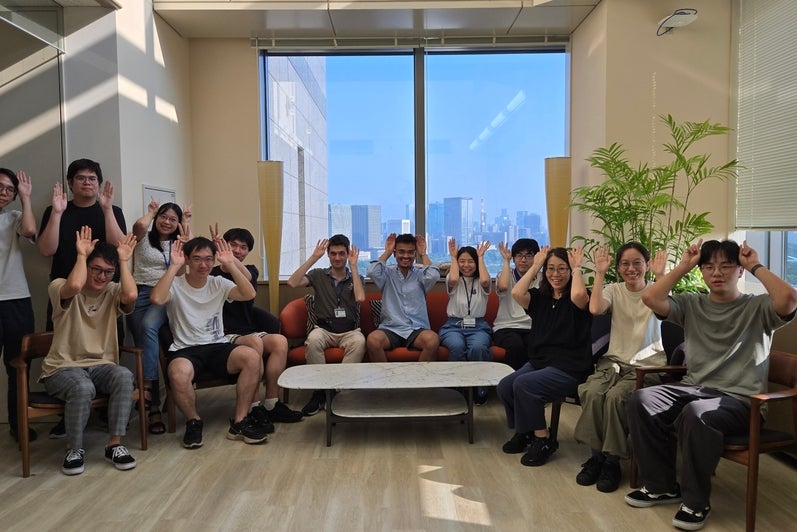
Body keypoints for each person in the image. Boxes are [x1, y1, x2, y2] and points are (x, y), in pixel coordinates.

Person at [624, 239, 797, 531]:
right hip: (695, 388)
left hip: (741, 402)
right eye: (709, 267)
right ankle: (661, 486)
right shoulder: (692, 304)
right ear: (702, 271)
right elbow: (651, 297)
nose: (717, 272)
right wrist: (684, 265)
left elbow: (789, 298)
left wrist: (755, 264)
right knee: (640, 400)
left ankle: (696, 502)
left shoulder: (758, 307)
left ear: (740, 271)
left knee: (696, 414)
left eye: (726, 266)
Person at [151, 236, 271, 447]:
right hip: (186, 349)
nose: (203, 265)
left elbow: (248, 293)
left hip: (217, 345)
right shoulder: (175, 284)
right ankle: (194, 421)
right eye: (197, 259)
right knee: (177, 373)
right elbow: (157, 299)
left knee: (252, 357)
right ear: (187, 259)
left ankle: (240, 421)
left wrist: (230, 263)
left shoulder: (218, 283)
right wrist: (174, 267)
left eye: (208, 259)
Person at [38, 158, 127, 439]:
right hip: (66, 291)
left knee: (108, 352)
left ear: (98, 184)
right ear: (70, 183)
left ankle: (107, 414)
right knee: (64, 350)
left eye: (92, 178)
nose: (87, 182)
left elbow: (121, 246)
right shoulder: (57, 210)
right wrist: (56, 213)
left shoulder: (112, 210)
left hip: (104, 292)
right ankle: (68, 417)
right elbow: (46, 249)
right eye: (80, 178)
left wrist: (107, 209)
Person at [40, 227, 139, 475]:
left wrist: (123, 261)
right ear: (86, 266)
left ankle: (114, 445)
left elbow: (130, 294)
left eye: (108, 272)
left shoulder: (112, 291)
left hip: (101, 365)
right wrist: (82, 255)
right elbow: (74, 285)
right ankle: (74, 449)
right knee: (82, 387)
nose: (101, 276)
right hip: (62, 368)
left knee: (124, 376)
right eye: (96, 269)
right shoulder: (59, 286)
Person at [573, 243, 666, 493]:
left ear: (647, 265)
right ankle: (596, 457)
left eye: (637, 263)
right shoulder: (614, 290)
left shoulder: (654, 291)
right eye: (625, 263)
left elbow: (666, 307)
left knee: (616, 398)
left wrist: (661, 275)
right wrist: (600, 272)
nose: (631, 268)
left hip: (647, 367)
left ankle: (612, 462)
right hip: (614, 363)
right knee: (592, 393)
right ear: (618, 268)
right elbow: (595, 308)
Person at [497, 246, 592, 467]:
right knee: (505, 386)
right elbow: (516, 292)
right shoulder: (540, 297)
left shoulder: (577, 297)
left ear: (570, 271)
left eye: (562, 269)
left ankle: (543, 440)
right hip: (541, 362)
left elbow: (579, 295)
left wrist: (578, 267)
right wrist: (537, 265)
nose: (555, 274)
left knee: (524, 384)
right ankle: (526, 431)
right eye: (551, 269)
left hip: (570, 367)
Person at [210, 226, 303, 430]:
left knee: (280, 341)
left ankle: (271, 403)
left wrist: (229, 258)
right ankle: (253, 406)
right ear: (223, 246)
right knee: (254, 343)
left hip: (248, 330)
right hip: (224, 334)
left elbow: (247, 279)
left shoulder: (250, 270)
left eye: (243, 247)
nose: (237, 250)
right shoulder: (212, 274)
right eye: (233, 245)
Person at [128, 199, 191, 435]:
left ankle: (145, 388)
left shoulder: (178, 243)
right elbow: (138, 226)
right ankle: (153, 408)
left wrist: (185, 232)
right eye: (164, 217)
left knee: (148, 326)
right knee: (144, 347)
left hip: (165, 294)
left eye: (173, 219)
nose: (167, 222)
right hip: (139, 293)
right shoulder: (143, 237)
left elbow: (182, 272)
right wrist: (151, 212)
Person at [287, 234, 366, 416]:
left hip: (349, 331)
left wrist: (354, 267)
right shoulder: (318, 275)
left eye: (341, 254)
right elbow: (292, 282)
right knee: (313, 340)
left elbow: (360, 298)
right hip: (324, 329)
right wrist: (314, 257)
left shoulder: (355, 277)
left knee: (360, 341)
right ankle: (320, 391)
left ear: (347, 254)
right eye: (333, 254)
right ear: (328, 255)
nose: (337, 258)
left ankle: (340, 392)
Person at [0, 168, 37, 442]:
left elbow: (30, 230)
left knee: (18, 367)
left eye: (9, 189)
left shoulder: (14, 217)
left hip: (16, 301)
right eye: (0, 186)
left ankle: (18, 426)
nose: (3, 192)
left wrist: (25, 197)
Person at [366, 233, 441, 362]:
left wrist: (423, 254)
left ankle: (419, 375)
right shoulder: (387, 275)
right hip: (390, 328)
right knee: (373, 340)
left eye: (410, 252)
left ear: (415, 255)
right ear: (395, 254)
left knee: (432, 340)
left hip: (416, 329)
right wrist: (387, 252)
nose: (406, 256)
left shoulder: (420, 276)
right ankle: (386, 375)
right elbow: (372, 271)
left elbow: (433, 275)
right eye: (401, 252)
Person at [438, 238, 493, 404]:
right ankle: (458, 390)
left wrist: (481, 257)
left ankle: (480, 390)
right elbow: (454, 279)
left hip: (478, 326)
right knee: (456, 346)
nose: (466, 265)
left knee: (478, 348)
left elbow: (485, 281)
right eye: (462, 261)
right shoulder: (452, 278)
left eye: (470, 261)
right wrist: (453, 257)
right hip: (453, 326)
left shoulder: (482, 280)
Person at [493, 239, 540, 371]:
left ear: (536, 258)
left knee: (535, 344)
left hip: (531, 327)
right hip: (506, 326)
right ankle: (512, 379)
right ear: (514, 258)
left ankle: (532, 379)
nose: (523, 260)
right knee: (516, 345)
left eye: (528, 256)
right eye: (519, 255)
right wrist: (506, 261)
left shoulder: (542, 279)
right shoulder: (505, 275)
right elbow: (503, 286)